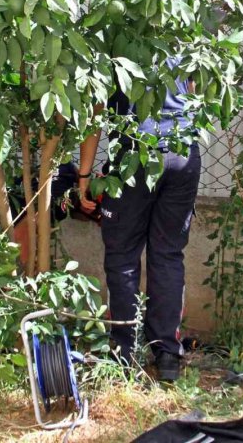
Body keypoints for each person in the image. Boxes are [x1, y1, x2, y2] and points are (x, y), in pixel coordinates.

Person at [77, 61, 201, 382]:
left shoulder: (115, 36)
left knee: (122, 258)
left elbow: (96, 111)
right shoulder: (180, 31)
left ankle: (124, 354)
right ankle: (168, 356)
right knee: (168, 254)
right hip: (182, 152)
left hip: (136, 155)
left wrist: (84, 175)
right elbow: (192, 90)